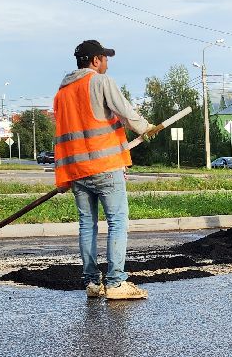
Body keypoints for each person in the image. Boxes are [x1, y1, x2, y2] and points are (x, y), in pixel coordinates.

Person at [54, 39, 162, 301]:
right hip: (104, 166)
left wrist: (63, 175)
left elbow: (60, 136)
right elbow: (125, 111)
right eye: (105, 58)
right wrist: (146, 128)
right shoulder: (100, 82)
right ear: (95, 61)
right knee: (117, 222)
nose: (107, 63)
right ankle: (115, 282)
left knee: (87, 225)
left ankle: (91, 282)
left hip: (78, 170)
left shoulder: (62, 93)